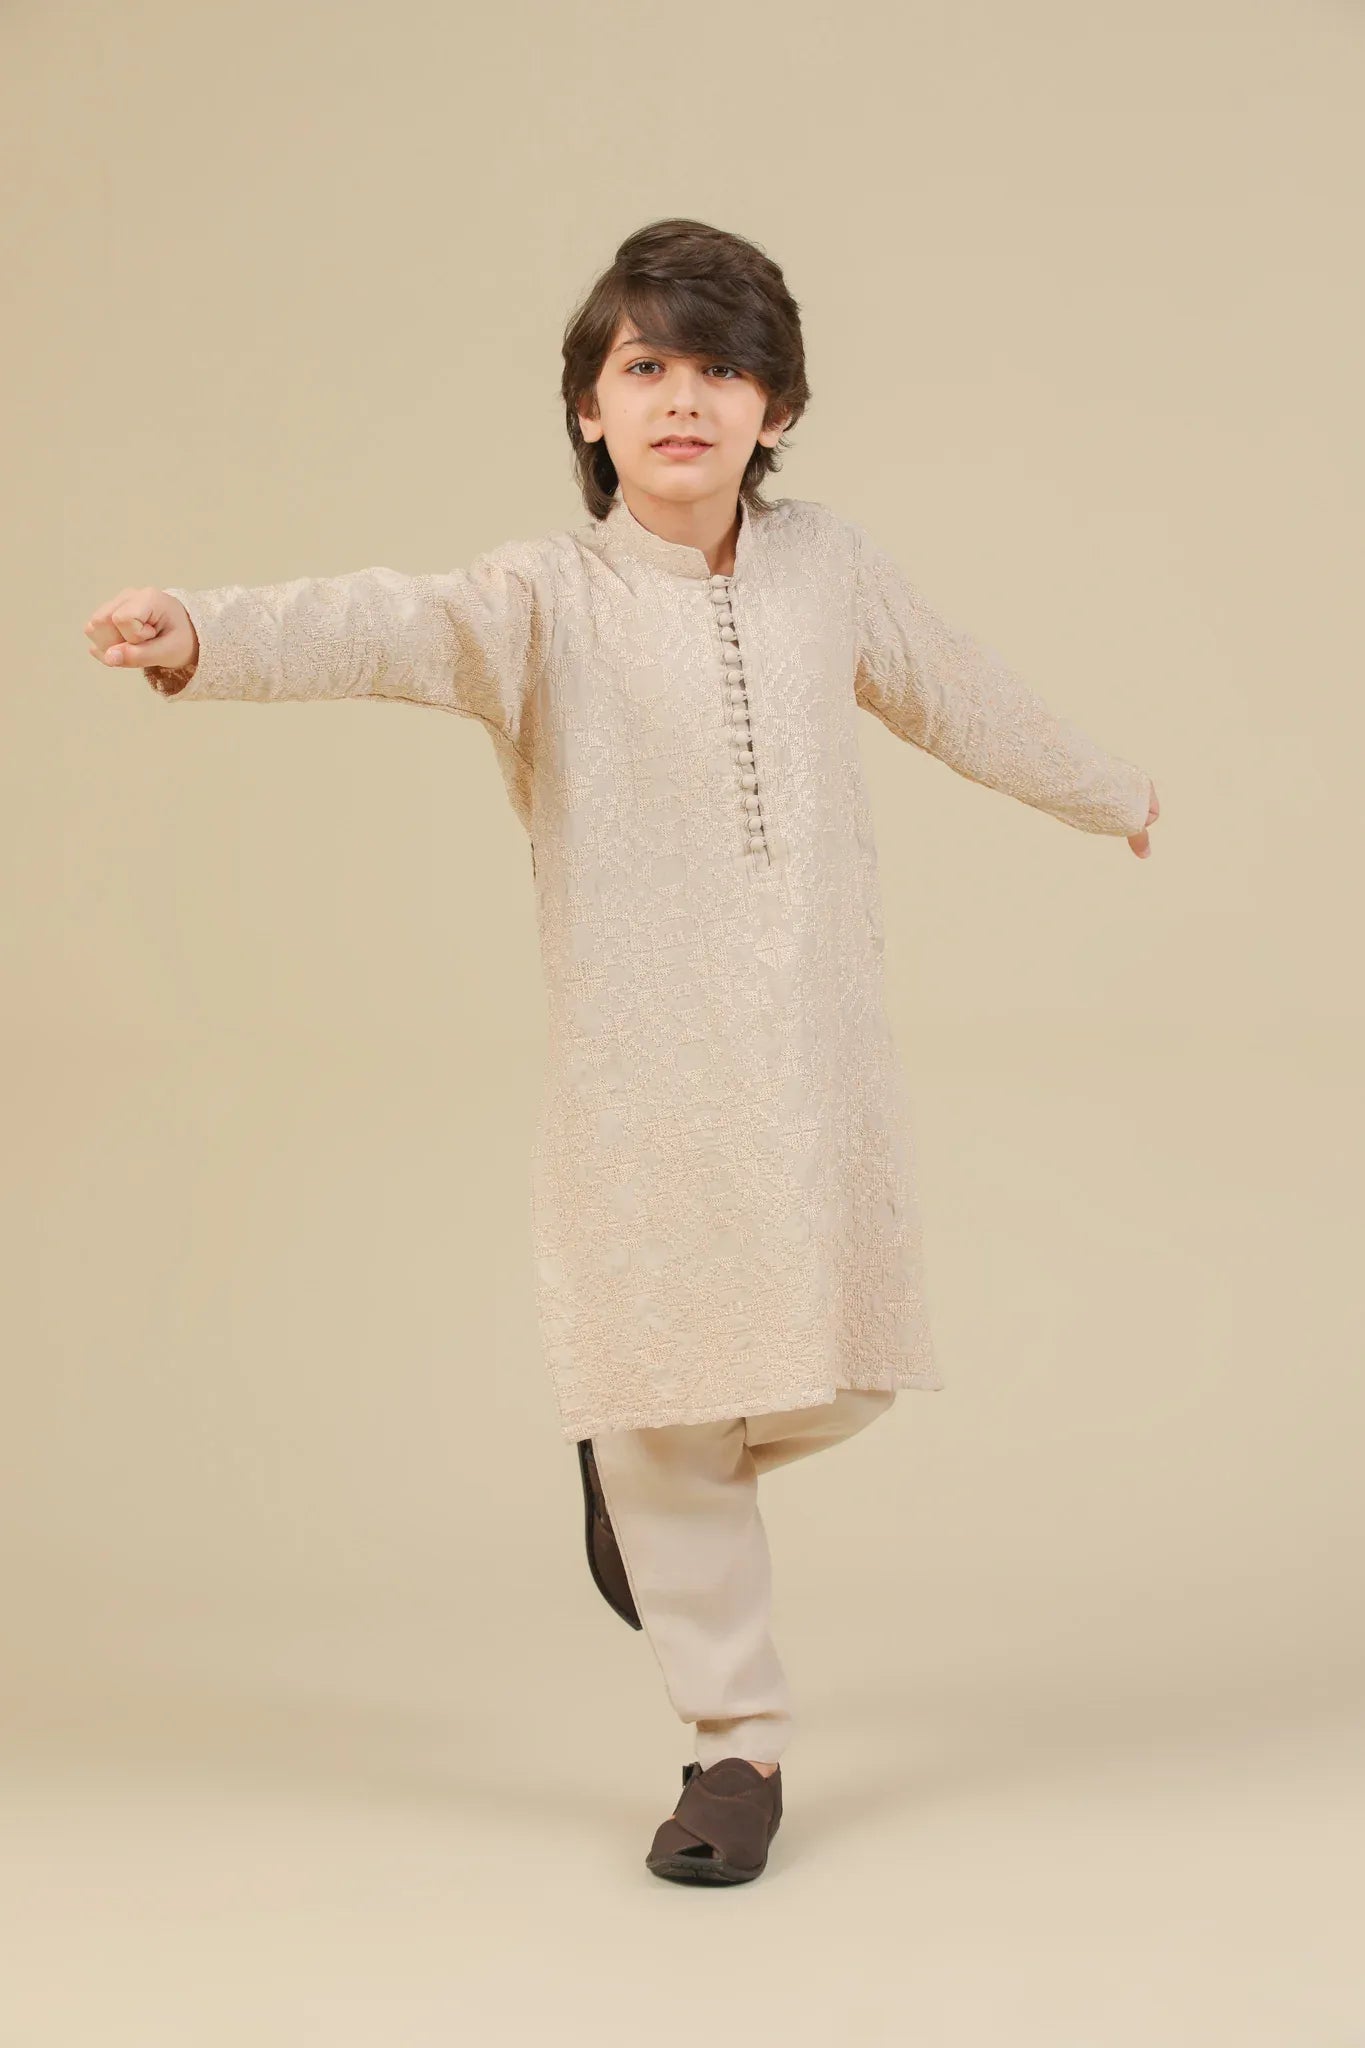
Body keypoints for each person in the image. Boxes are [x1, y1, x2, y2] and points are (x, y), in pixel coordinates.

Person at [83, 217, 1158, 1885]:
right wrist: (200, 634)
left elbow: (961, 695)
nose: (683, 399)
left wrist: (1116, 794)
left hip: (813, 1063)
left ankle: (637, 1466)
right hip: (636, 1068)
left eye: (720, 369)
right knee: (664, 1402)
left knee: (843, 1362)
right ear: (589, 410)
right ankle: (733, 1747)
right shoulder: (544, 598)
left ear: (775, 410)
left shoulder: (830, 572)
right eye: (644, 367)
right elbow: (381, 622)